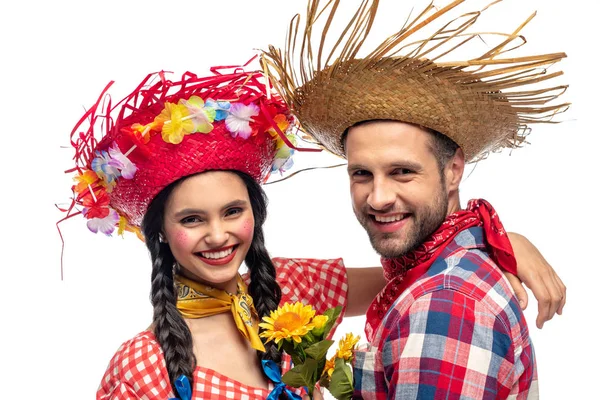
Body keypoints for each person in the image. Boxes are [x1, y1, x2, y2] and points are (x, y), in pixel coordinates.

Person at [60, 63, 562, 400]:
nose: (218, 235)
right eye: (192, 219)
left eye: (233, 211)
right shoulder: (140, 368)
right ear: (162, 234)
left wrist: (500, 240)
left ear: (255, 213)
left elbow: (406, 272)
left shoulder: (288, 287)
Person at [263, 0, 569, 398]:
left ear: (454, 170)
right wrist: (498, 241)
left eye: (402, 171)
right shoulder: (428, 271)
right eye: (361, 174)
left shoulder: (444, 304)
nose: (378, 197)